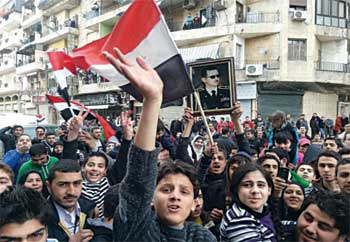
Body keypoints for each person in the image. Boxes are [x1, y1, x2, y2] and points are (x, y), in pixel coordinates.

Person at [103, 47, 216, 241]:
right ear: (151, 199)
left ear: (194, 203)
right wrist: (152, 100)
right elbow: (138, 183)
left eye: (184, 192)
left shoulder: (203, 237)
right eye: (166, 189)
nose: (175, 196)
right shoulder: (138, 231)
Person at [220, 163, 278, 241]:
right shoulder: (238, 220)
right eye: (247, 185)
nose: (255, 190)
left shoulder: (265, 208)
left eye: (260, 185)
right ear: (236, 189)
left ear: (269, 190)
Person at [81, 152, 110, 218]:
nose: (95, 169)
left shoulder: (105, 182)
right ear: (83, 167)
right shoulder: (78, 187)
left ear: (105, 170)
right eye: (90, 165)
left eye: (100, 166)